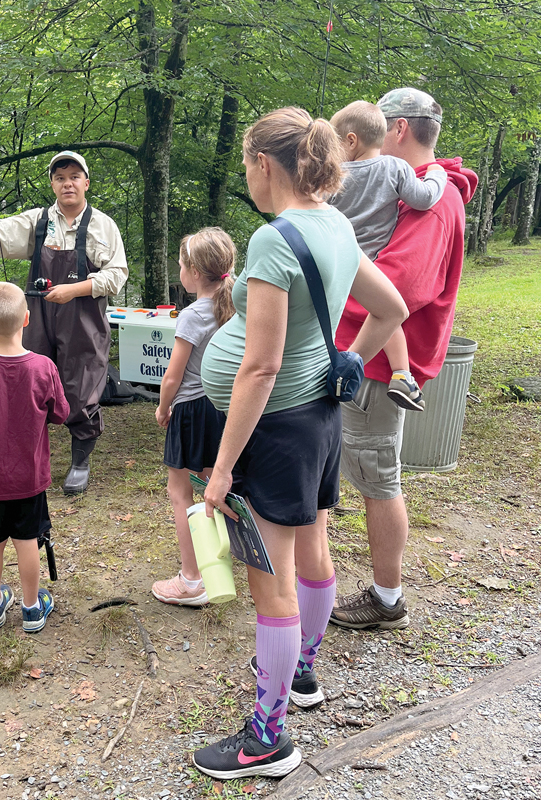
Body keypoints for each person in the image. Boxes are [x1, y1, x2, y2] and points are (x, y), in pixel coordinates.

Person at [191, 107, 408, 780]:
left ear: (263, 164)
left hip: (276, 431)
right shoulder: (334, 222)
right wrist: (351, 358)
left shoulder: (276, 238)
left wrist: (221, 469)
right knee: (312, 549)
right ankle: (303, 669)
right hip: (315, 418)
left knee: (272, 584)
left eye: (246, 166)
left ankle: (267, 741)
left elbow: (259, 365)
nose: (246, 177)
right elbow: (393, 307)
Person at [329, 88, 478, 631]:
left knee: (376, 478)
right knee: (363, 472)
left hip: (369, 365)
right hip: (361, 356)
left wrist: (352, 356)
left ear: (396, 130)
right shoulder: (401, 189)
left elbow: (400, 289)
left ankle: (388, 598)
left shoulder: (435, 202)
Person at [0, 151, 128, 495]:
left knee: (80, 388)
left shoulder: (103, 225)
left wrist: (73, 290)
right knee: (28, 384)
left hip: (84, 317)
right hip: (38, 316)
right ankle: (29, 455)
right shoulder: (38, 222)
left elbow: (116, 275)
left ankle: (80, 459)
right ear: (53, 184)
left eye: (74, 176)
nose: (68, 183)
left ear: (86, 183)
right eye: (60, 177)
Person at [0, 282, 70, 633]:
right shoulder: (44, 367)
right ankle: (32, 608)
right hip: (30, 478)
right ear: (26, 319)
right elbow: (61, 414)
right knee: (27, 544)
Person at [329, 100, 448, 412]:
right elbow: (423, 199)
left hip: (340, 261)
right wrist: (438, 174)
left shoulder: (334, 178)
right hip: (372, 261)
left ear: (351, 140)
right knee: (386, 311)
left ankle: (394, 373)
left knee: (376, 311)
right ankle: (402, 373)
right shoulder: (395, 169)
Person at [149, 227, 237, 607]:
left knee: (180, 491)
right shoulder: (237, 307)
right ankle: (230, 559)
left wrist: (162, 406)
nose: (179, 270)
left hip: (190, 409)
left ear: (194, 273)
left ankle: (192, 578)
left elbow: (173, 375)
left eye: (182, 264)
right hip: (225, 408)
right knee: (216, 481)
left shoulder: (192, 314)